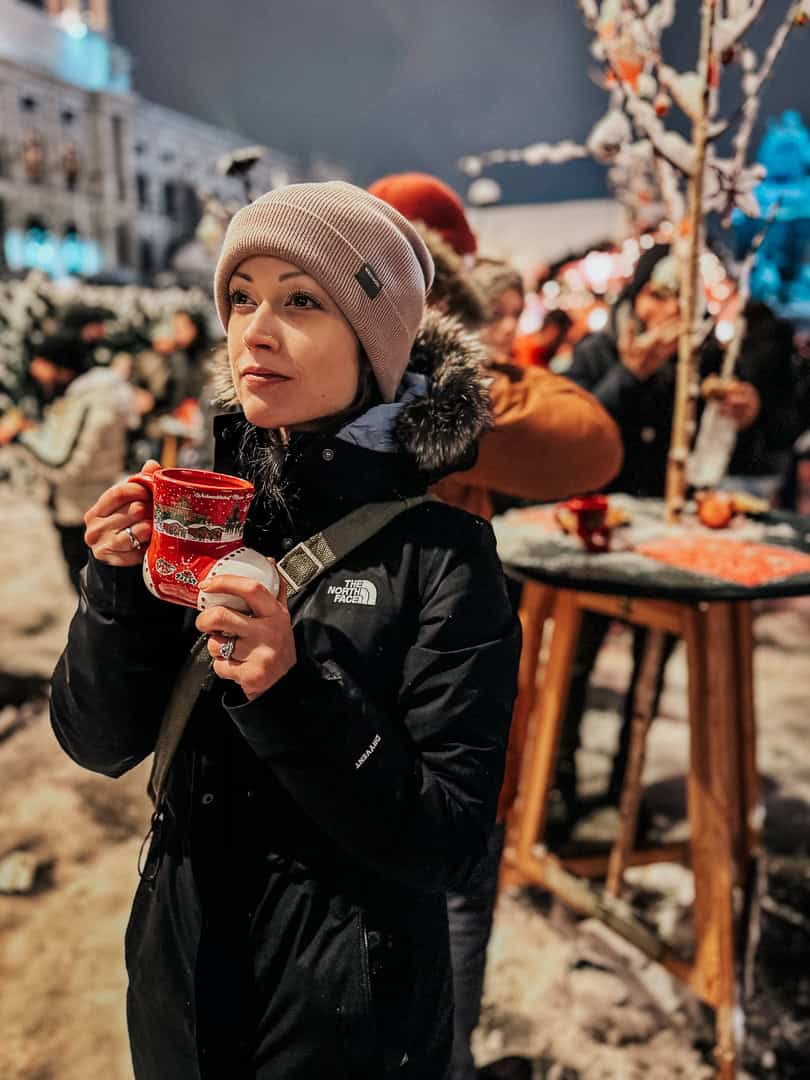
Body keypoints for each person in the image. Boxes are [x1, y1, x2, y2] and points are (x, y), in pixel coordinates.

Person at [50, 181, 521, 1080]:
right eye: (242, 296)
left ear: (374, 343)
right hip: (179, 975)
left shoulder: (446, 557)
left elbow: (452, 845)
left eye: (302, 300)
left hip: (345, 1018)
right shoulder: (207, 516)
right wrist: (117, 591)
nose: (255, 330)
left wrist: (289, 691)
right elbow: (97, 742)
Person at [370, 174, 623, 1080]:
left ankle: (451, 1060)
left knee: (444, 885)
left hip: (428, 679)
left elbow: (586, 436)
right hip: (399, 689)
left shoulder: (448, 393)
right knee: (441, 887)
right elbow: (587, 438)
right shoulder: (396, 386)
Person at [558, 245, 799, 825]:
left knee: (652, 665)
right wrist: (629, 374)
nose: (669, 309)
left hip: (661, 541)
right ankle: (559, 785)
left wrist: (750, 414)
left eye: (682, 298)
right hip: (589, 539)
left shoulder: (704, 363)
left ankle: (625, 784)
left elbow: (746, 448)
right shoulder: (597, 352)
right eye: (659, 293)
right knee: (575, 663)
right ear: (636, 294)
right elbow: (569, 433)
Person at [0, 332, 136, 592]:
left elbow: (64, 462)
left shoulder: (92, 400)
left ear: (60, 368)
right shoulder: (82, 396)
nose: (36, 372)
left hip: (84, 510)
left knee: (92, 592)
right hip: (79, 506)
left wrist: (18, 435)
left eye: (42, 365)